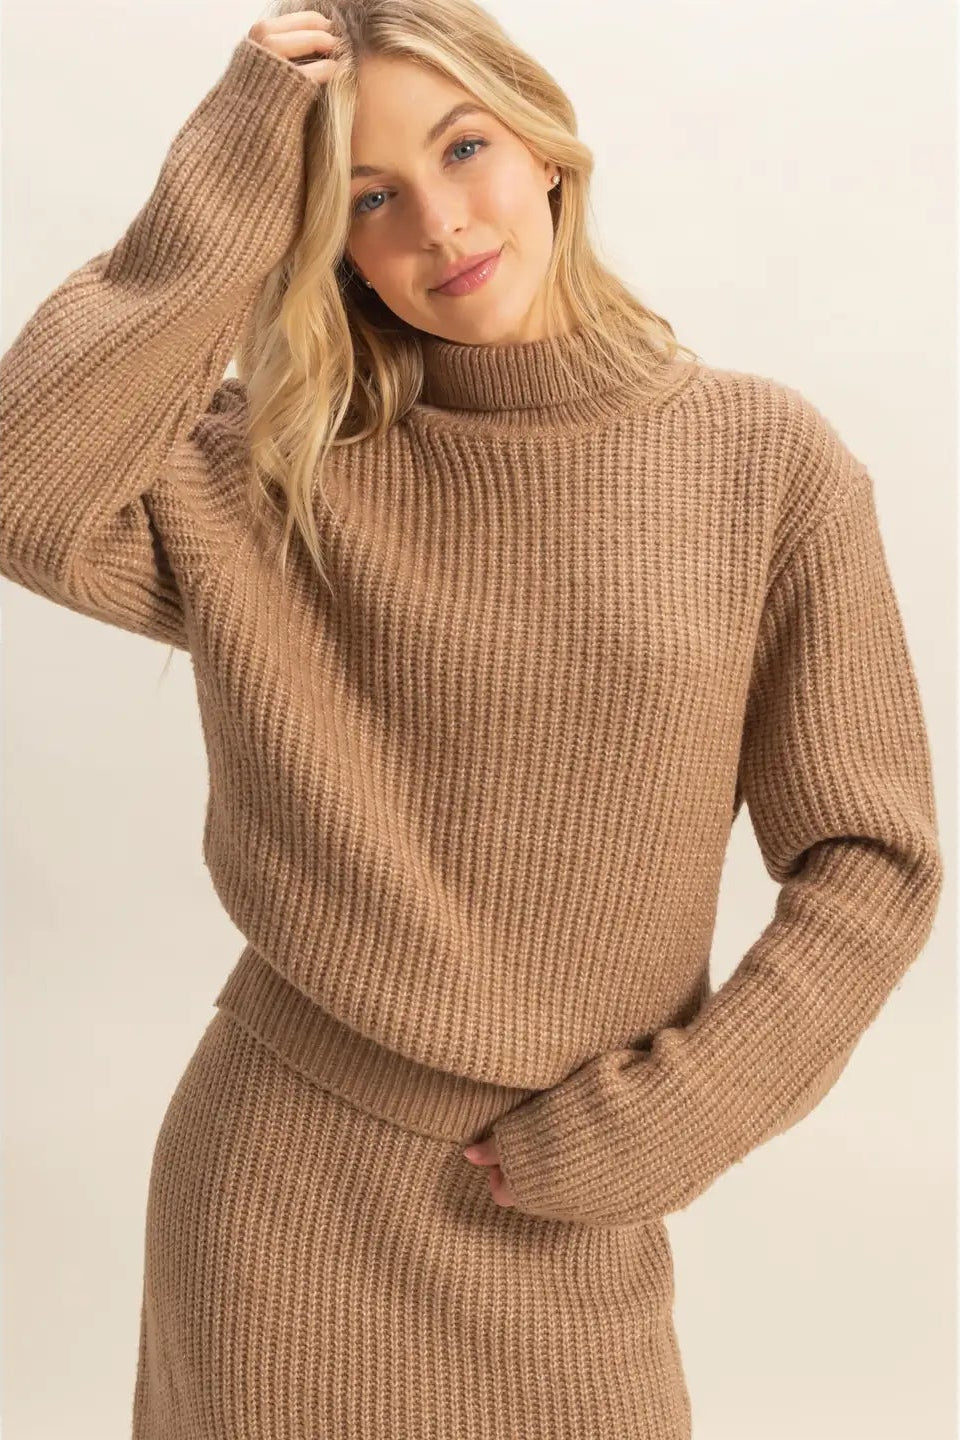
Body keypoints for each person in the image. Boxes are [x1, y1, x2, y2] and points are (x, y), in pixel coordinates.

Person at [0, 2, 944, 1437]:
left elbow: (871, 860)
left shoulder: (765, 466)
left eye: (463, 149)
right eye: (367, 197)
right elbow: (26, 489)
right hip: (279, 1205)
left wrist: (674, 1119)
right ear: (324, 241)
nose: (439, 224)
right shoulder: (277, 471)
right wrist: (235, 168)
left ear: (546, 148)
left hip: (572, 1217)